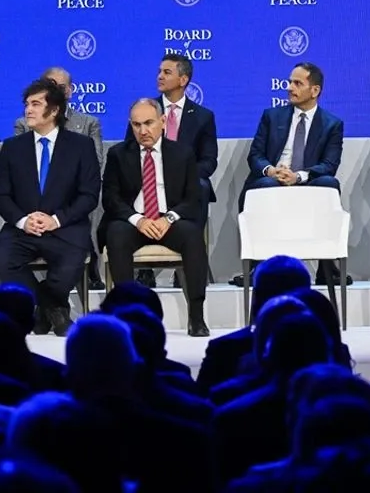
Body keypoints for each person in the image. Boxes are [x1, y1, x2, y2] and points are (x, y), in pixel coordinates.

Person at [0, 78, 101, 336]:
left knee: (71, 265)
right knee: (1, 261)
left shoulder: (81, 146)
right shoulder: (12, 147)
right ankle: (54, 308)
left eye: (36, 104)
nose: (28, 110)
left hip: (66, 226)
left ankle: (43, 311)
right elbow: (1, 196)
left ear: (54, 110)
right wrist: (23, 221)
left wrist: (56, 220)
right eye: (27, 104)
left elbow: (88, 195)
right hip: (22, 229)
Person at [103, 98, 210, 336]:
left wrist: (168, 218)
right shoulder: (118, 154)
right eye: (136, 125)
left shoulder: (183, 153)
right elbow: (110, 199)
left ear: (163, 122)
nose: (143, 131)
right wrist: (138, 220)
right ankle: (127, 315)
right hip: (134, 221)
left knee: (193, 236)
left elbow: (193, 198)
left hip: (168, 220)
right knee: (116, 233)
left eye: (149, 123)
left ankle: (196, 316)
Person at [237, 62, 347, 286]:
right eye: (289, 82)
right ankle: (259, 266)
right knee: (265, 185)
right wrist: (271, 170)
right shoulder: (272, 116)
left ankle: (327, 267)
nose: (289, 87)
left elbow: (329, 164)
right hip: (273, 179)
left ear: (314, 90)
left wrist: (299, 176)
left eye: (297, 83)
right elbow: (255, 155)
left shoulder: (332, 124)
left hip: (307, 181)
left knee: (329, 183)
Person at [121, 53, 219, 289]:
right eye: (159, 72)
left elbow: (209, 161)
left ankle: (188, 261)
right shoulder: (145, 111)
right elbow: (128, 152)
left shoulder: (203, 117)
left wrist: (183, 178)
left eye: (167, 72)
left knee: (201, 186)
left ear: (183, 80)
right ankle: (144, 271)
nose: (160, 76)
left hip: (185, 184)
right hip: (147, 176)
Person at [15, 66, 104, 288]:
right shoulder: (24, 124)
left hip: (74, 196)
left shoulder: (88, 123)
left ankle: (89, 266)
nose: (57, 91)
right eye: (50, 86)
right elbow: (20, 170)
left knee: (84, 202)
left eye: (61, 87)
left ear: (70, 91)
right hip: (36, 200)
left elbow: (95, 165)